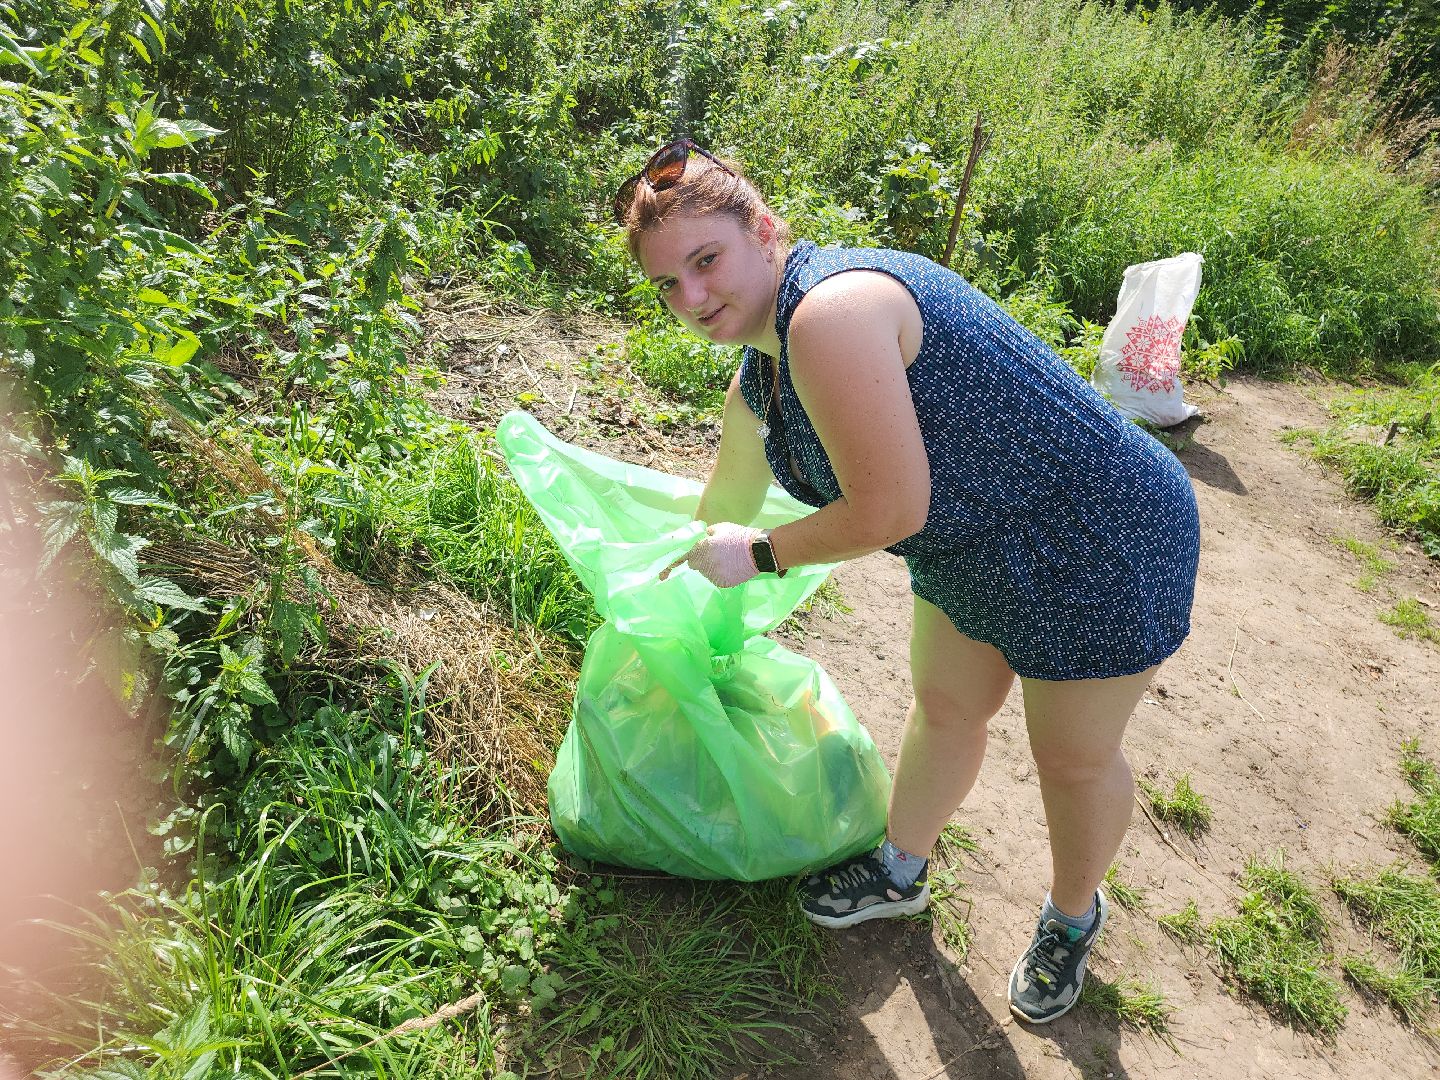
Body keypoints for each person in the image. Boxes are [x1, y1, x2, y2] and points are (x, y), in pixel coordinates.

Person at [617, 138, 1200, 1025]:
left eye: (706, 262)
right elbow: (725, 499)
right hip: (972, 545)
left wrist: (760, 555)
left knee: (1071, 760)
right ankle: (900, 868)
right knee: (945, 706)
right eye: (668, 283)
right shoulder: (762, 368)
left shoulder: (831, 317)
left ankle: (1073, 917)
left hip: (1098, 537)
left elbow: (888, 510)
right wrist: (643, 586)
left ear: (765, 230)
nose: (691, 299)